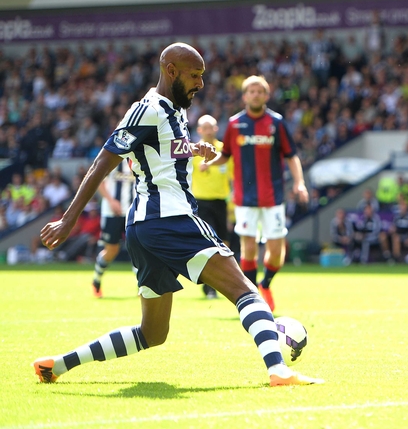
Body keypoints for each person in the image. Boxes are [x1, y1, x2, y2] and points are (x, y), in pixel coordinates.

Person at [35, 43, 320, 387]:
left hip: (142, 229)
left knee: (151, 333)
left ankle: (57, 365)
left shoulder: (173, 110)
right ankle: (278, 371)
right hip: (171, 219)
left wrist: (192, 148)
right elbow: (103, 161)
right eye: (194, 75)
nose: (201, 83)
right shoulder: (148, 109)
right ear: (171, 71)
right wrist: (69, 219)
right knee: (247, 291)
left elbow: (157, 147)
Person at [209, 75, 308, 311]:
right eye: (251, 91)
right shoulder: (234, 124)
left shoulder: (277, 123)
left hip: (273, 198)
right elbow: (226, 155)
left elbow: (291, 156)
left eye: (259, 91)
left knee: (276, 253)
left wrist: (300, 183)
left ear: (266, 95)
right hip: (245, 199)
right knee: (249, 248)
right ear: (244, 96)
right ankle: (252, 298)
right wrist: (209, 162)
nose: (255, 94)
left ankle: (266, 283)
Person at [191, 114, 231, 299]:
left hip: (221, 201)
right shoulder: (193, 150)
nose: (208, 130)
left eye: (211, 127)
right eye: (205, 127)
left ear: (216, 129)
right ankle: (209, 286)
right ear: (199, 130)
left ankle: (223, 280)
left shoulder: (225, 150)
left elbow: (233, 175)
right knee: (208, 244)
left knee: (224, 243)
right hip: (201, 202)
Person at [92, 156, 135, 298]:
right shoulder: (113, 157)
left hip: (134, 212)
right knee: (111, 250)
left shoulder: (140, 156)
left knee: (139, 249)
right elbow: (99, 182)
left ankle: (143, 287)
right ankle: (96, 280)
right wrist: (111, 201)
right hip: (112, 213)